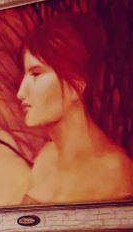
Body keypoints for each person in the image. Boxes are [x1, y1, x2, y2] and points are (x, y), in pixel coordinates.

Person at [16, 14, 133, 205]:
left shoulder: (117, 173)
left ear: (76, 87)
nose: (20, 93)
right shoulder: (45, 161)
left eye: (36, 74)